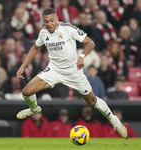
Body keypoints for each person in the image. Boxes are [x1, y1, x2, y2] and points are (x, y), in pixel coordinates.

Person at [16, 8, 128, 139]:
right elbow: (35, 48)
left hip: (73, 72)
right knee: (26, 91)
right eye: (46, 21)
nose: (50, 24)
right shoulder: (43, 33)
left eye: (52, 20)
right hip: (54, 70)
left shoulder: (68, 29)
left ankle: (114, 121)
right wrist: (23, 66)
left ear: (57, 18)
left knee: (92, 101)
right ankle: (34, 109)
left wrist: (81, 56)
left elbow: (90, 43)